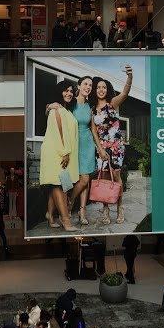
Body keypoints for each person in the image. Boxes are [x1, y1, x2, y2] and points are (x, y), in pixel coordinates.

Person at [49, 75, 105, 227]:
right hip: (73, 144)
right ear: (79, 86)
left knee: (85, 180)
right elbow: (58, 113)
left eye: (90, 85)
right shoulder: (71, 102)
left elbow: (93, 128)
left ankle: (80, 210)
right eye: (85, 84)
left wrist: (99, 148)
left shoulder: (90, 105)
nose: (88, 87)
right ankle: (63, 206)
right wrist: (49, 106)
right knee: (70, 179)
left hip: (87, 144)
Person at [92, 66, 133, 224]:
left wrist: (129, 77)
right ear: (95, 91)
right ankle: (106, 209)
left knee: (116, 176)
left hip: (116, 146)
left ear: (107, 89)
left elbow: (125, 92)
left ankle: (119, 207)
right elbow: (94, 132)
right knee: (104, 178)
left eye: (103, 87)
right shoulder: (93, 110)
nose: (101, 89)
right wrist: (100, 149)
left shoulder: (113, 103)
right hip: (102, 148)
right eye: (98, 87)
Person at [38, 80, 80, 232]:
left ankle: (50, 215)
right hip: (57, 152)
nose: (68, 93)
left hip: (64, 151)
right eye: (65, 90)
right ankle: (65, 220)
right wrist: (65, 152)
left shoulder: (65, 110)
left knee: (61, 184)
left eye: (70, 91)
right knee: (59, 185)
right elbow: (59, 132)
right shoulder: (56, 109)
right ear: (59, 92)